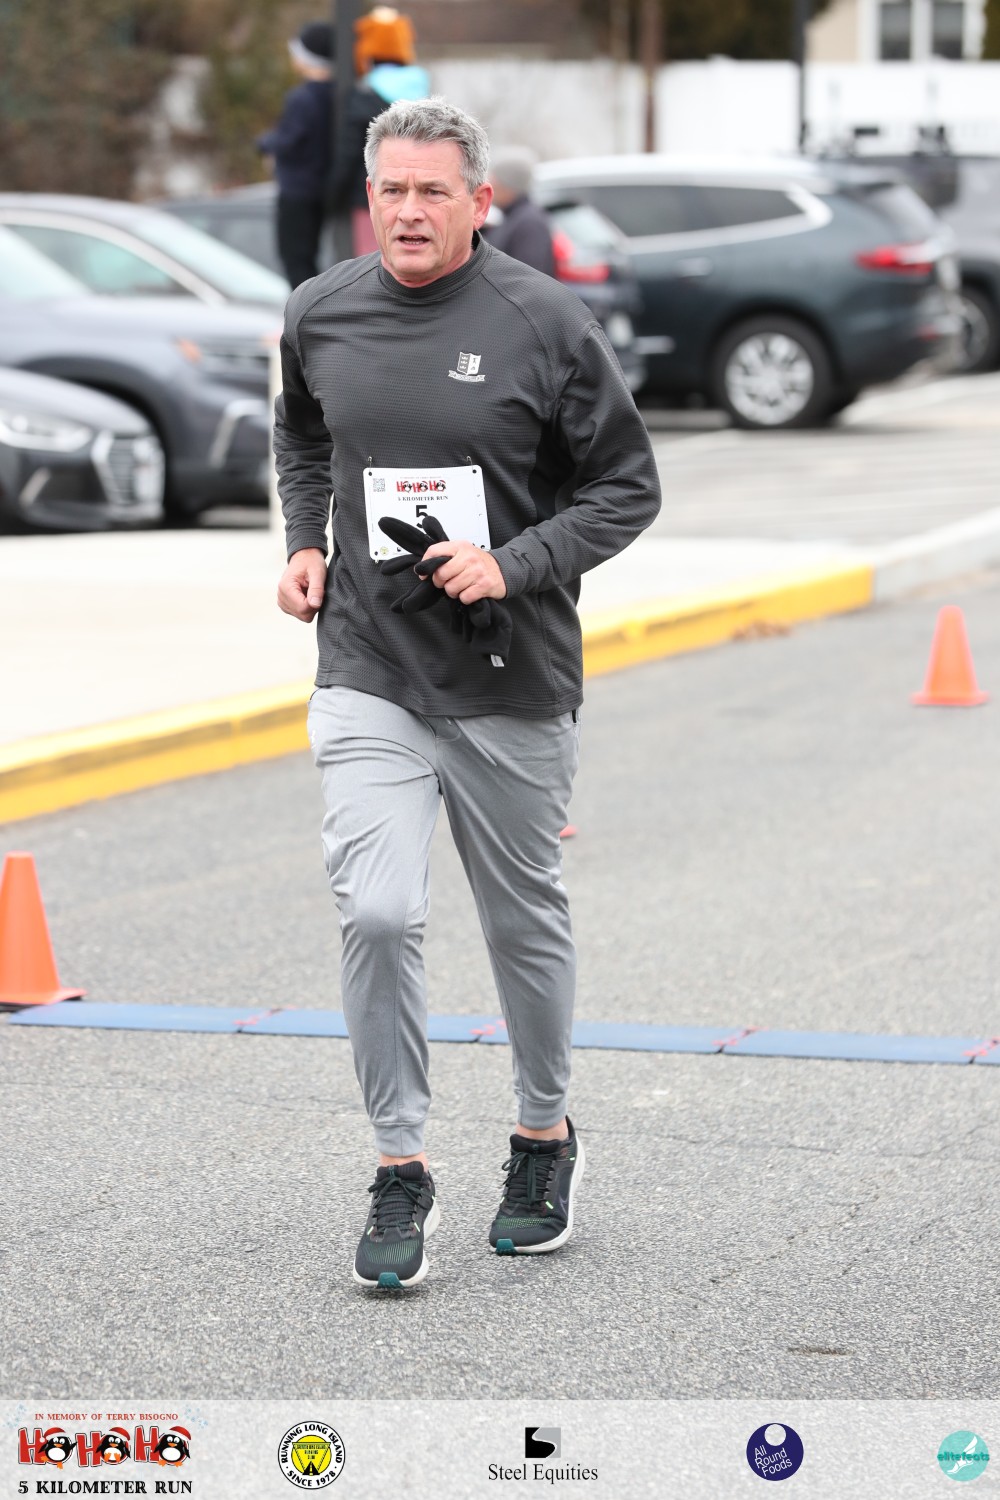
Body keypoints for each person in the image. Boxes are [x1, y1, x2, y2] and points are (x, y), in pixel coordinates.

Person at [273, 96, 660, 1291]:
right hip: (370, 666)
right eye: (390, 190)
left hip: (509, 676)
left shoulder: (544, 321)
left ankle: (542, 1135)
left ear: (479, 203)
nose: (408, 211)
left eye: (432, 191)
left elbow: (625, 487)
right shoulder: (320, 310)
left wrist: (513, 562)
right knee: (379, 912)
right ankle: (400, 1162)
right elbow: (303, 440)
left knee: (519, 920)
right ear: (368, 198)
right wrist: (304, 542)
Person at [328, 6, 429, 255]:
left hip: (373, 194)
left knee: (373, 261)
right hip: (417, 194)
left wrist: (332, 195)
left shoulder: (364, 94)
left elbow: (349, 150)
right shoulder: (421, 89)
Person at [256, 21, 334, 287]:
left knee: (296, 260)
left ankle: (305, 310)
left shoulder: (302, 98)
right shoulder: (338, 93)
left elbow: (287, 140)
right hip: (324, 189)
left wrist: (264, 143)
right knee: (309, 258)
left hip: (298, 192)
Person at [484, 146, 556, 276]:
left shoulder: (530, 222)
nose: (491, 186)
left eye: (495, 181)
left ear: (508, 185)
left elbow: (531, 275)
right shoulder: (513, 216)